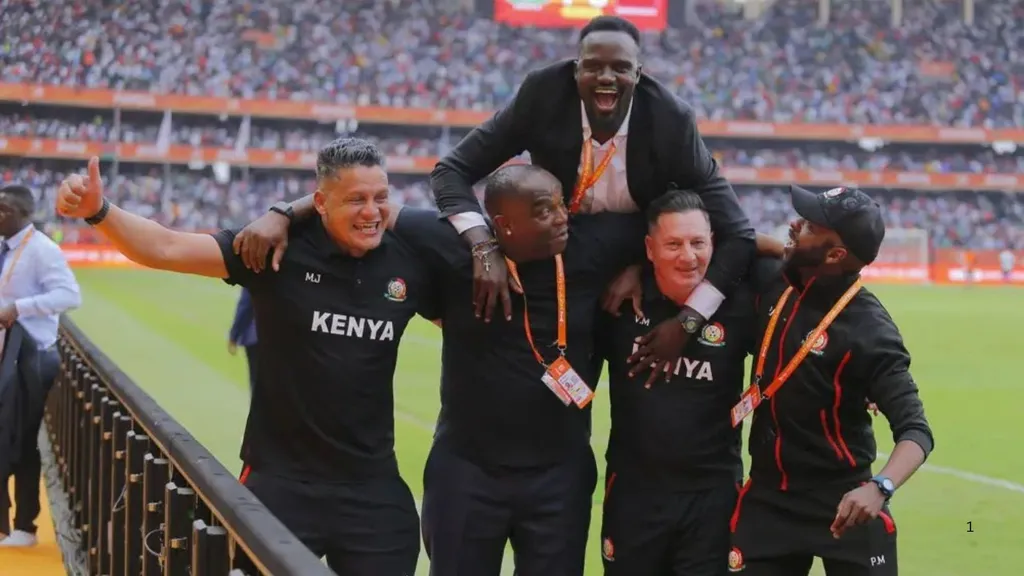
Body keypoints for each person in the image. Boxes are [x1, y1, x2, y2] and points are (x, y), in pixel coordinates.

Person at [234, 164, 647, 576]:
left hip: (560, 476)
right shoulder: (448, 241)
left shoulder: (589, 241)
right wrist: (283, 211)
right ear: (501, 224)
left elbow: (674, 216)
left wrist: (637, 269)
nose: (562, 218)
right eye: (544, 210)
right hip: (467, 475)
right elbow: (366, 205)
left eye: (561, 206)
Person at [53, 140, 437, 575]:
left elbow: (465, 325)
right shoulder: (275, 247)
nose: (372, 212)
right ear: (320, 204)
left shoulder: (408, 261)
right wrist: (99, 210)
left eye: (380, 198)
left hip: (374, 489)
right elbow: (167, 248)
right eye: (356, 200)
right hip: (280, 483)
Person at [429, 15, 756, 383]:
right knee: (548, 404)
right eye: (593, 66)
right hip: (561, 263)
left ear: (638, 74)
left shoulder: (670, 120)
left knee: (647, 416)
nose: (606, 77)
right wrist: (484, 248)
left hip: (635, 278)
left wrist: (687, 322)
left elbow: (738, 233)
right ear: (574, 69)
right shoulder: (544, 94)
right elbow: (451, 171)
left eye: (620, 68)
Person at [729, 185, 935, 576]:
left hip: (845, 503)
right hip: (768, 502)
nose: (794, 224)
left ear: (836, 254)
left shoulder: (871, 330)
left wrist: (880, 488)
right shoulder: (777, 282)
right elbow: (734, 237)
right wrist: (783, 247)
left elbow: (916, 432)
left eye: (808, 225)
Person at [597, 190, 777, 576]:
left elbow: (802, 312)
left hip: (711, 499)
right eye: (673, 244)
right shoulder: (621, 297)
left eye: (699, 243)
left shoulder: (741, 300)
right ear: (648, 248)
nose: (688, 256)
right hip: (633, 497)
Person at [0, 185, 81, 546]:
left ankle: (25, 525)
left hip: (30, 360)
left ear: (21, 213)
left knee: (22, 439)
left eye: (2, 210)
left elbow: (69, 295)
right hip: (6, 357)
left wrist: (20, 307)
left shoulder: (42, 250)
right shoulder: (4, 249)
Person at [228, 287, 258, 392]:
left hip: (256, 338)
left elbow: (245, 306)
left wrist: (233, 336)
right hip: (281, 339)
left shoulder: (256, 272)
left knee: (258, 385)